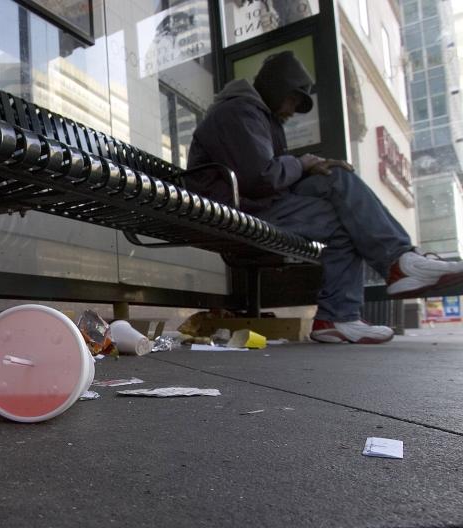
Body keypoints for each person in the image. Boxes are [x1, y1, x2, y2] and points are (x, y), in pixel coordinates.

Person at [187, 51, 463, 344]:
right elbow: (260, 178)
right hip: (233, 208)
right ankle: (377, 282)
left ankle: (347, 310)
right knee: (340, 205)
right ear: (277, 87)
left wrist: (311, 167)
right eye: (292, 99)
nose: (293, 110)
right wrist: (302, 164)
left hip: (252, 204)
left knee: (337, 187)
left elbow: (264, 176)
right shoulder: (239, 111)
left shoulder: (259, 116)